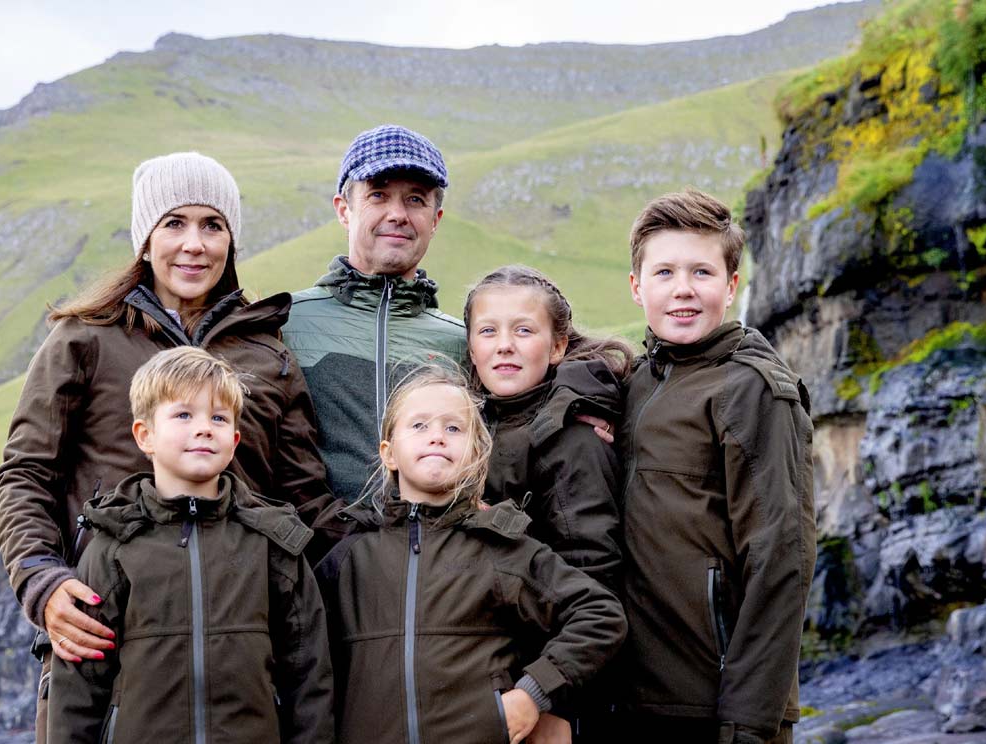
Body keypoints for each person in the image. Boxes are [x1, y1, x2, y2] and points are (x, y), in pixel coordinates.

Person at [0, 151, 331, 743]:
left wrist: (425, 530)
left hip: (241, 660)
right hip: (108, 639)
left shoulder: (269, 356)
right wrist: (40, 579)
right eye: (173, 223)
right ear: (145, 239)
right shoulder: (84, 338)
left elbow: (305, 499)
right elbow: (24, 473)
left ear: (232, 240)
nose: (193, 244)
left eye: (212, 225)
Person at [315, 366, 627, 744]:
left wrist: (534, 693)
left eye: (453, 428)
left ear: (477, 455)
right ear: (388, 453)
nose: (436, 437)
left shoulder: (501, 547)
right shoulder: (348, 557)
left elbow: (600, 615)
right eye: (418, 426)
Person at [47, 347, 333, 743]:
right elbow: (78, 689)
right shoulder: (113, 546)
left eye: (218, 417)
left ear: (234, 440)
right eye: (183, 415)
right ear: (144, 435)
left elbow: (309, 676)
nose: (204, 428)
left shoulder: (273, 544)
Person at [618, 188, 816, 743]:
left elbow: (781, 559)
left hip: (721, 711)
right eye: (664, 273)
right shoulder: (637, 382)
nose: (683, 289)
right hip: (638, 700)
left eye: (702, 272)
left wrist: (749, 721)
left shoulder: (753, 389)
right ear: (637, 288)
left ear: (731, 285)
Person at [465, 264, 633, 742]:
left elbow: (593, 576)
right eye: (488, 331)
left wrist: (559, 705)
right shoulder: (479, 427)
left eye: (524, 330)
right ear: (471, 347)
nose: (505, 345)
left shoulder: (572, 436)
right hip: (502, 678)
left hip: (551, 689)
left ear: (557, 346)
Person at [282, 124, 466, 506]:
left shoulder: (463, 343)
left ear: (436, 218)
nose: (397, 214)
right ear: (344, 210)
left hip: (434, 556)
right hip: (317, 556)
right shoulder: (285, 323)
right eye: (378, 195)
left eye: (415, 200)